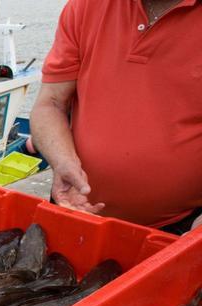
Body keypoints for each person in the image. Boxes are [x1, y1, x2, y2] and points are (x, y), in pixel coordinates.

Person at [30, 0, 202, 234]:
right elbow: (49, 104)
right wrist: (62, 162)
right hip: (72, 208)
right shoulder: (85, 6)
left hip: (178, 227)